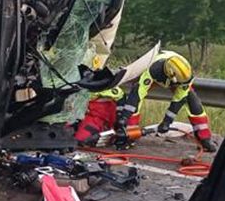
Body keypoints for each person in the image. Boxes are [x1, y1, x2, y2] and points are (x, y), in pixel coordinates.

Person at [76, 50, 216, 152]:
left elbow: (177, 100)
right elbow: (137, 95)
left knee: (194, 104)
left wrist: (166, 122)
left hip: (177, 79)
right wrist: (124, 118)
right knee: (134, 103)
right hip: (157, 76)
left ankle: (204, 138)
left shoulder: (185, 76)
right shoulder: (153, 69)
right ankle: (129, 135)